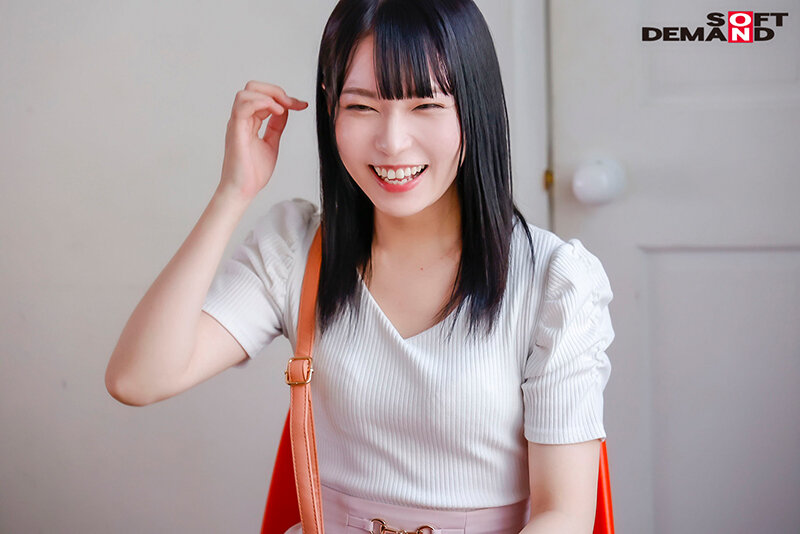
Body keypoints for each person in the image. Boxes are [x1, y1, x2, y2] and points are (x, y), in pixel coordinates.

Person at [105, 0, 615, 532]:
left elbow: (564, 515)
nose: (392, 142)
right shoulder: (296, 248)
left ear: (474, 107)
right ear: (331, 109)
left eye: (425, 105)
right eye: (362, 106)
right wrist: (234, 192)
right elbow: (137, 379)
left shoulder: (554, 281)